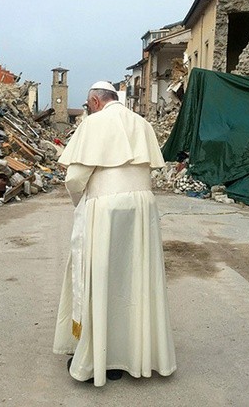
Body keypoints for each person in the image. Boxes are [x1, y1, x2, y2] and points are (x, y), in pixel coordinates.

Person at [53, 81, 177, 386]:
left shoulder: (93, 124)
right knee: (135, 281)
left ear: (95, 102)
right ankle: (134, 356)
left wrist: (80, 204)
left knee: (101, 279)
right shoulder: (142, 123)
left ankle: (99, 358)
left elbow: (75, 179)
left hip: (105, 208)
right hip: (142, 207)